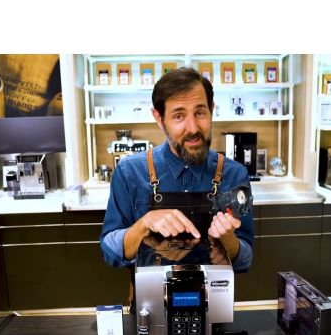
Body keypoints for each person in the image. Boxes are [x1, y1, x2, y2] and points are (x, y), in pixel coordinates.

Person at [100, 67, 254, 285]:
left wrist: (229, 242)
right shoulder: (129, 172)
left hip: (214, 300)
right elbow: (109, 250)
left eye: (200, 112)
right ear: (159, 118)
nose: (193, 128)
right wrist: (143, 225)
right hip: (151, 301)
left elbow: (246, 259)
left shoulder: (235, 175)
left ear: (211, 109)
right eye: (179, 116)